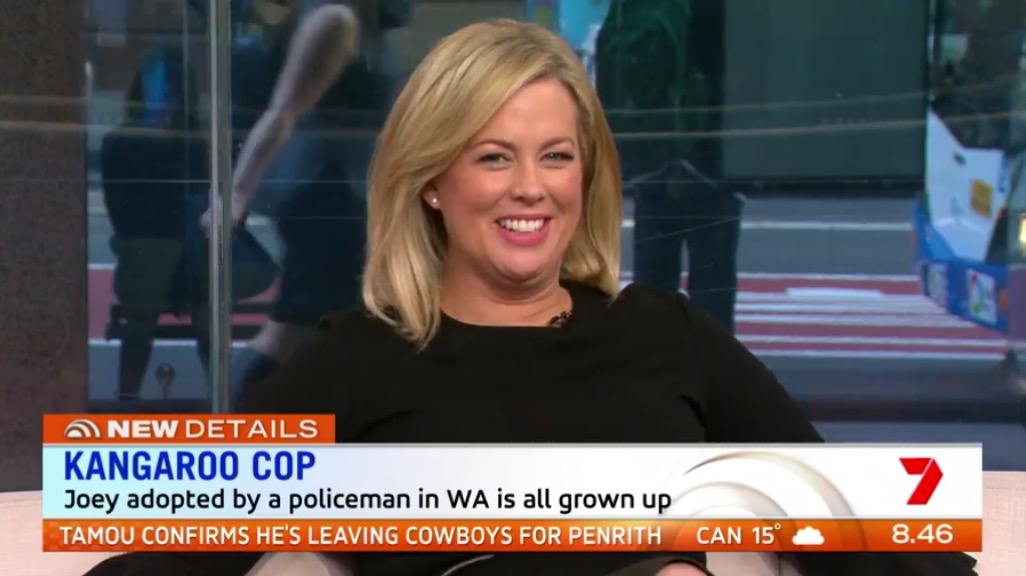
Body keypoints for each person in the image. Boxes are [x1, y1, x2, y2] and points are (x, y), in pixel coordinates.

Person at [87, 19, 979, 576]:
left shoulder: (666, 336)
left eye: (556, 156)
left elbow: (868, 532)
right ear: (432, 181)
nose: (531, 188)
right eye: (493, 157)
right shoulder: (355, 359)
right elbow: (173, 557)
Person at [201, 0, 406, 402]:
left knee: (322, 333)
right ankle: (235, 418)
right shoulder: (336, 20)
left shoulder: (355, 23)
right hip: (329, 203)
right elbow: (283, 113)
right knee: (293, 331)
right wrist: (236, 195)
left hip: (342, 200)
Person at [596, 0, 743, 334]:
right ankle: (711, 361)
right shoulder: (717, 11)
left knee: (654, 286)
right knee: (712, 286)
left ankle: (653, 359)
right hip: (708, 160)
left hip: (651, 157)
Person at [100, 46, 210, 400]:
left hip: (180, 251)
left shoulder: (192, 141)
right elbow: (123, 211)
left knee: (203, 312)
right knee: (149, 306)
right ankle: (128, 398)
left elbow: (201, 193)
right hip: (153, 248)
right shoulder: (123, 141)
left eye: (171, 93)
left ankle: (225, 398)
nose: (165, 101)